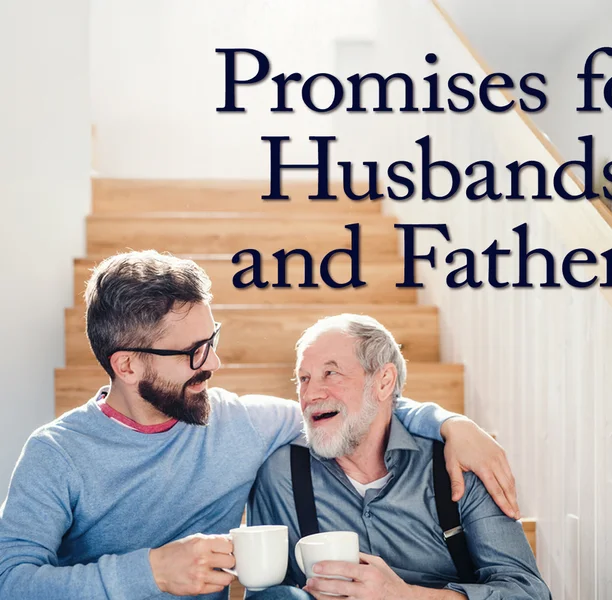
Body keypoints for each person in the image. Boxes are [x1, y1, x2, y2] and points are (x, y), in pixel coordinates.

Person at [0, 251, 519, 600]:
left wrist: (449, 421)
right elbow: (10, 579)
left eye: (214, 339)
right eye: (193, 353)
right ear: (128, 365)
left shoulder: (240, 424)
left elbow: (349, 408)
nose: (215, 364)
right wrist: (151, 572)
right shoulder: (57, 453)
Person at [246, 314, 550, 600]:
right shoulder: (281, 474)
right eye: (303, 378)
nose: (311, 394)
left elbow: (528, 592)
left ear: (383, 382)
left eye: (331, 373)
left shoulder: (458, 465)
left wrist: (404, 595)